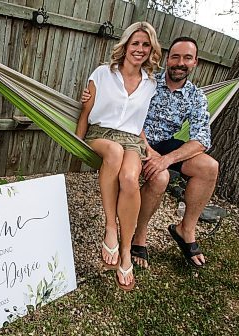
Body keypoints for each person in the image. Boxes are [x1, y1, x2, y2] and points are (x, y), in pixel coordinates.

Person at [82, 36, 218, 269]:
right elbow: (124, 109)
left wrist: (166, 159)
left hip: (165, 146)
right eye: (175, 57)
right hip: (137, 139)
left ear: (195, 62)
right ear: (167, 58)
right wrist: (88, 97)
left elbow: (202, 139)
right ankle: (139, 235)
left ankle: (186, 229)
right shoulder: (150, 81)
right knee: (160, 177)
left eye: (187, 58)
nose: (180, 63)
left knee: (209, 167)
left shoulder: (196, 97)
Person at [75, 22, 162, 290]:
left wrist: (147, 146)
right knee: (113, 151)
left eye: (145, 45)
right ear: (125, 45)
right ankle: (110, 227)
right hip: (101, 135)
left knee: (129, 178)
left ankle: (126, 252)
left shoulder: (151, 84)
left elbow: (139, 122)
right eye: (135, 43)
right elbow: (86, 113)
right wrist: (75, 143)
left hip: (132, 141)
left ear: (151, 50)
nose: (140, 49)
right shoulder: (102, 73)